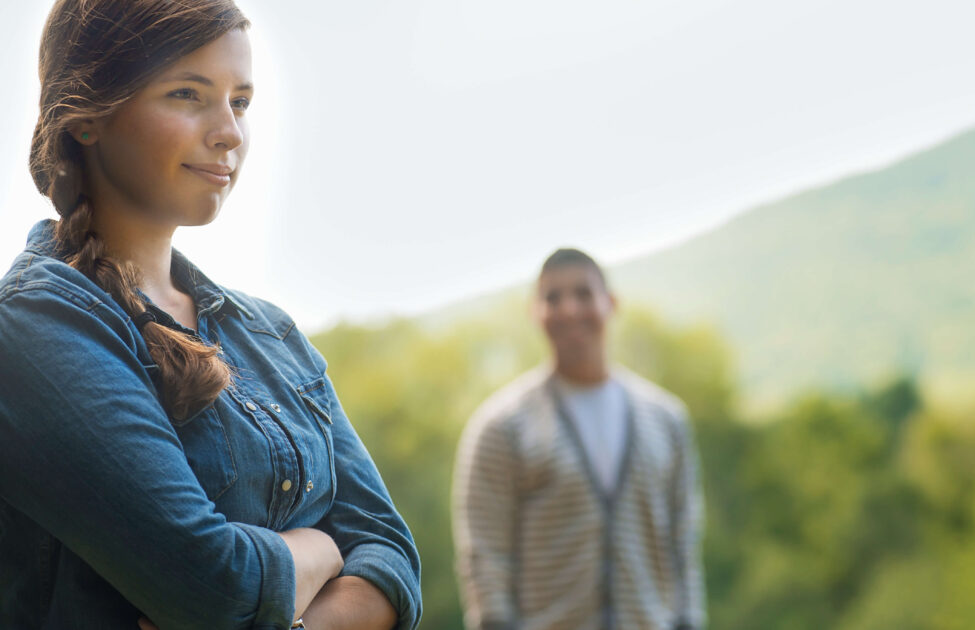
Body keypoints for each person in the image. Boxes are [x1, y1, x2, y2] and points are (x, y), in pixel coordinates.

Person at [0, 1, 420, 628]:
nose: (229, 131)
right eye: (189, 94)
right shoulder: (34, 328)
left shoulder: (270, 333)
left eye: (241, 101)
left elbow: (394, 560)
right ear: (87, 118)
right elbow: (213, 583)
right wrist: (324, 547)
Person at [452, 248, 706, 630]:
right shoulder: (501, 427)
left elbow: (683, 541)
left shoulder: (667, 420)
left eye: (584, 294)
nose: (569, 309)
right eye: (553, 298)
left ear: (611, 303)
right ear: (535, 312)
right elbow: (485, 557)